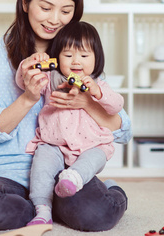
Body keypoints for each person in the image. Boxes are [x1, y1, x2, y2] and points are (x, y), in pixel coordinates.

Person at [0, 0, 131, 232]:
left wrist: (86, 103)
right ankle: (44, 206)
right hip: (6, 173)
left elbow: (123, 129)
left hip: (66, 170)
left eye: (66, 11)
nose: (54, 20)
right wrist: (27, 97)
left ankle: (93, 194)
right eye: (46, 7)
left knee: (96, 214)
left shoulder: (77, 58)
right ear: (26, 2)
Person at [15, 20, 125, 226]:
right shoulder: (50, 78)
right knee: (41, 167)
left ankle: (74, 178)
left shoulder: (98, 84)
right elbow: (22, 81)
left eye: (84, 55)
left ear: (96, 59)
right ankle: (42, 209)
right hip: (53, 144)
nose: (76, 61)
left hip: (92, 145)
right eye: (68, 55)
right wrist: (30, 62)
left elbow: (117, 105)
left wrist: (97, 93)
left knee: (94, 158)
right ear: (57, 57)